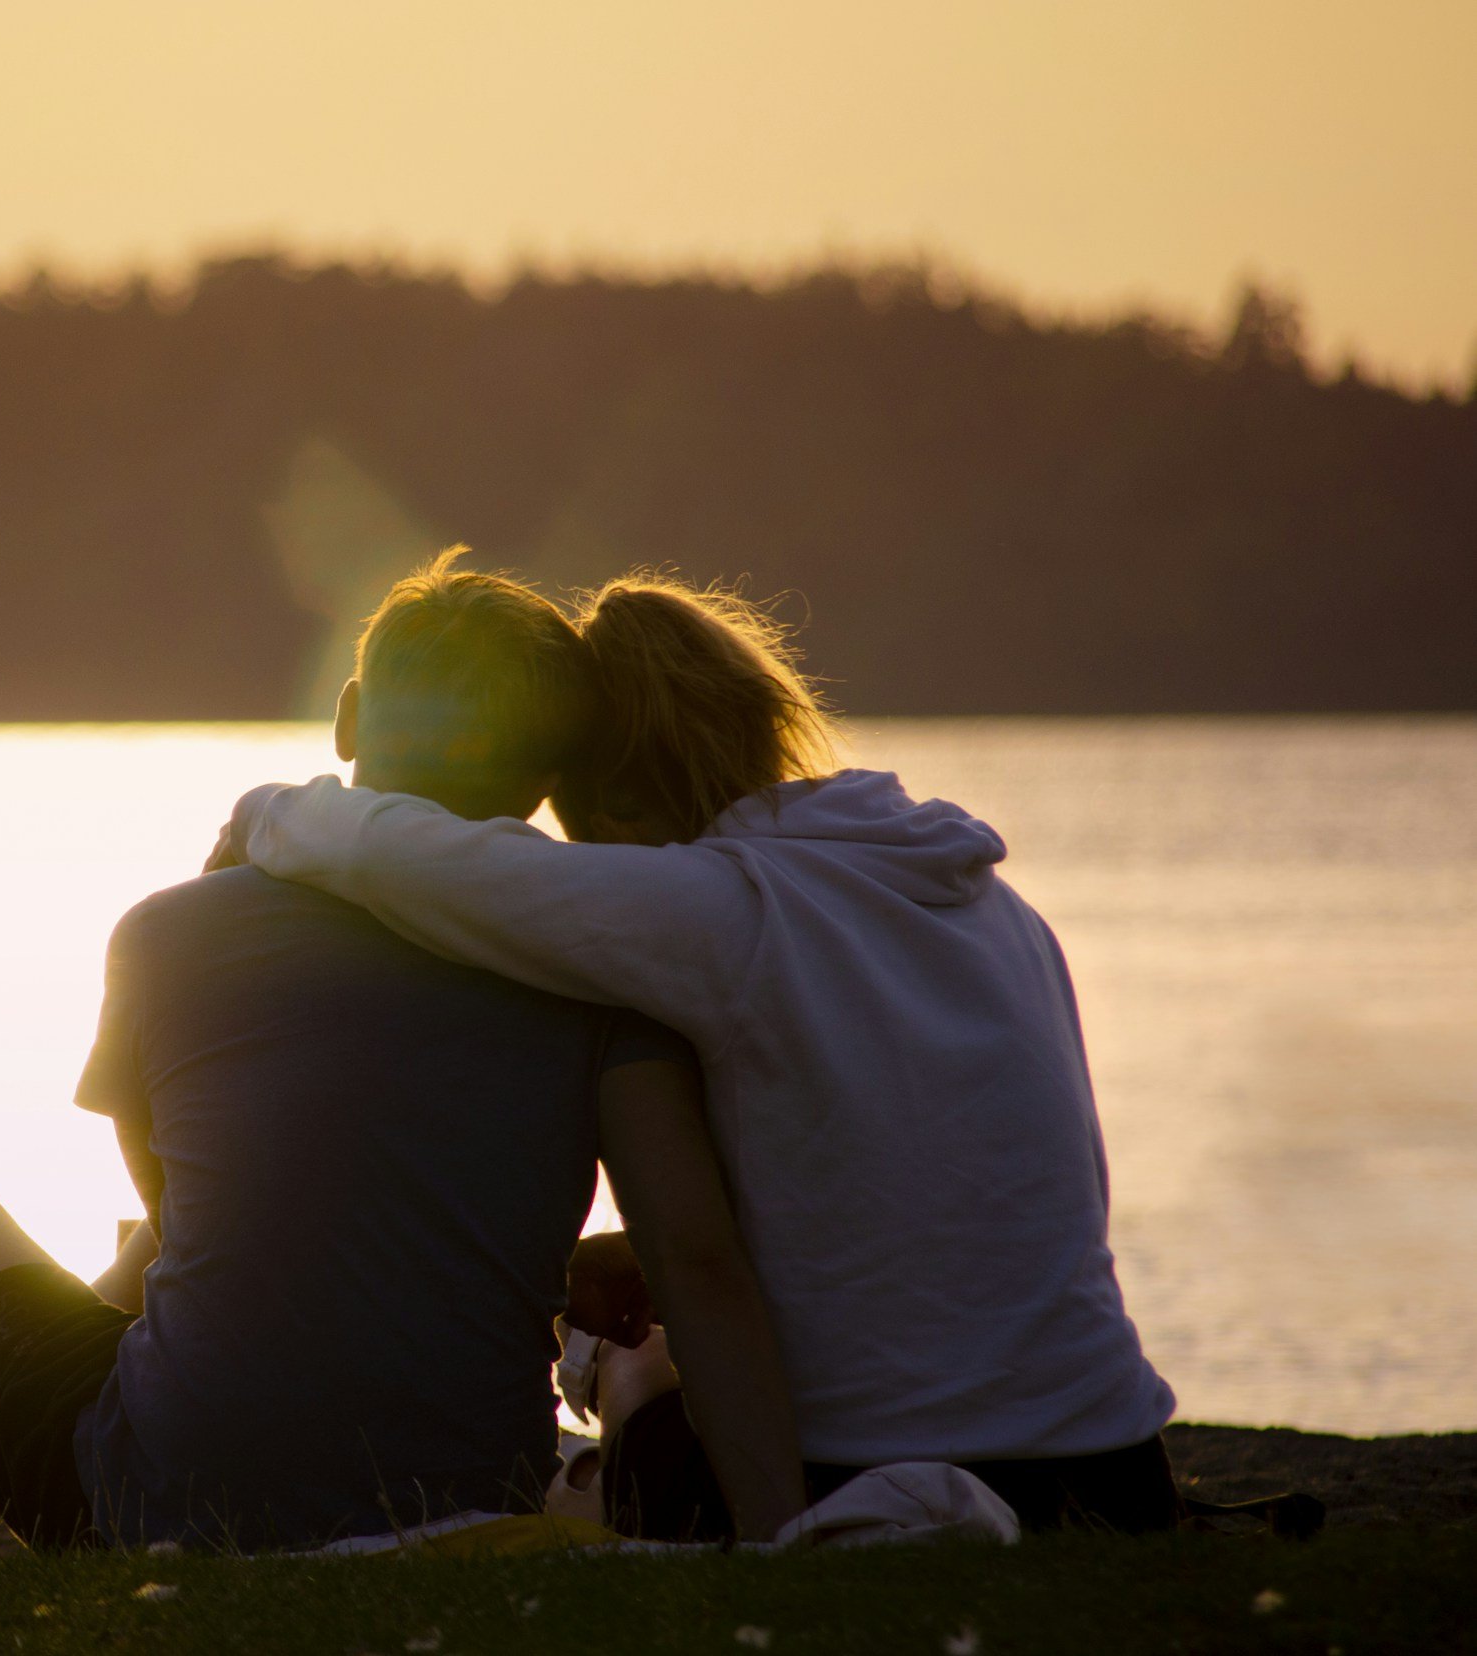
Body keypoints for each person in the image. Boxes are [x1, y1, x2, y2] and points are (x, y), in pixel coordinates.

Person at [0, 553, 805, 1554]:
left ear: (351, 718)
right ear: (550, 772)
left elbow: (194, 1217)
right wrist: (781, 1541)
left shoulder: (169, 933)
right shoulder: (602, 966)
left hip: (166, 1500)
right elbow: (692, 1256)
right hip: (468, 1486)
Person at [218, 570, 1182, 1536]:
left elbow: (422, 862)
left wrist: (266, 812)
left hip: (871, 1471)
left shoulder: (719, 907)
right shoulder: (987, 901)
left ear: (612, 797)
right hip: (1115, 1470)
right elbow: (944, 1188)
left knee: (634, 1368)